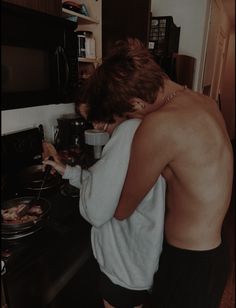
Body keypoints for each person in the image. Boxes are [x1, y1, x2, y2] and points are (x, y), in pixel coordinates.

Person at [82, 38, 234, 308]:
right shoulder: (204, 101)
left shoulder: (159, 126)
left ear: (138, 104)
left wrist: (87, 179)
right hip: (217, 252)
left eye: (126, 113)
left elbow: (121, 210)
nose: (127, 120)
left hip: (187, 261)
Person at [43, 115, 166, 308]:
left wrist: (74, 176)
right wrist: (68, 171)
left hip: (123, 267)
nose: (96, 127)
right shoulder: (141, 128)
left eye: (96, 119)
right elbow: (107, 184)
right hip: (137, 264)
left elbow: (96, 211)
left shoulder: (127, 131)